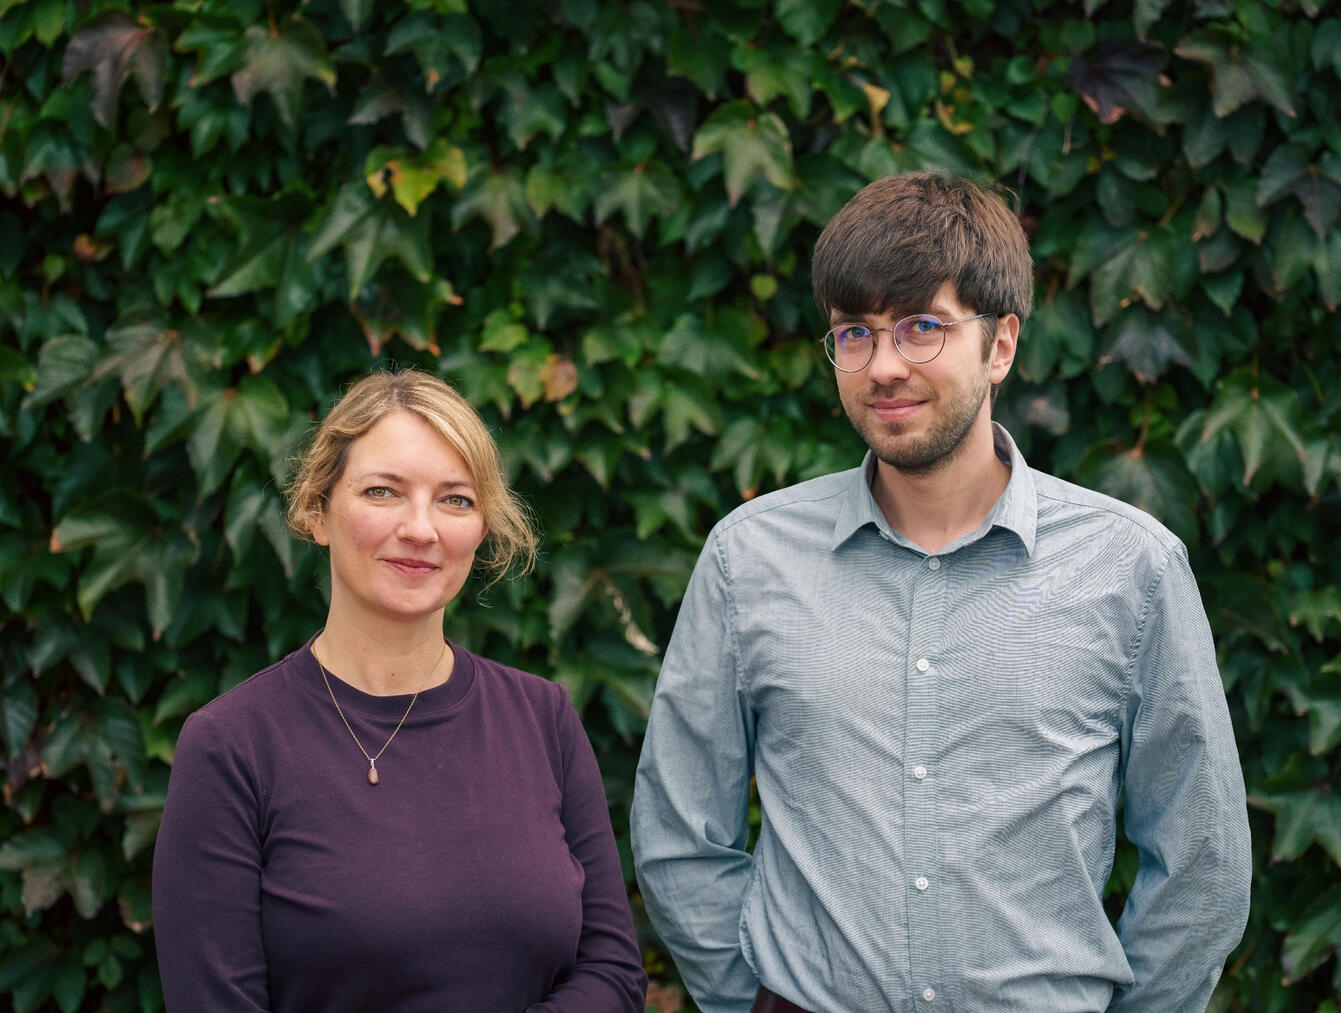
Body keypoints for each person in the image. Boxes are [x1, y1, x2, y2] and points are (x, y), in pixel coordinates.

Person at [630, 172, 1251, 1013]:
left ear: (1001, 345)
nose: (884, 366)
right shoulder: (751, 559)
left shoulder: (1130, 567)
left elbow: (1201, 858)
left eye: (922, 327)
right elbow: (679, 830)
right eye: (854, 334)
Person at [152, 369, 647, 1013]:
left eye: (455, 499)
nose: (421, 528)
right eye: (384, 491)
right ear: (317, 510)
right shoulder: (231, 745)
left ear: (482, 530)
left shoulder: (543, 719)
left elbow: (612, 971)